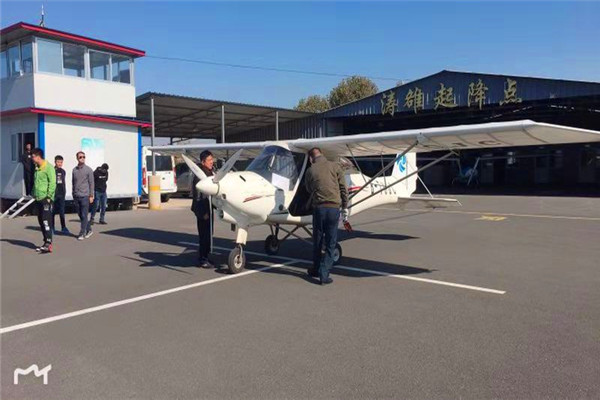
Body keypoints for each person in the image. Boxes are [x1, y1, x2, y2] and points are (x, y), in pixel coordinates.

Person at [304, 147, 349, 285]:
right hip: (333, 209)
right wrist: (345, 206)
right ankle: (324, 274)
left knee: (317, 240)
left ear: (310, 159)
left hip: (319, 209)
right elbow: (343, 188)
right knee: (330, 242)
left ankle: (315, 269)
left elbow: (308, 188)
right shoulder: (335, 166)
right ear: (322, 154)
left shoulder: (310, 170)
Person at [191, 150, 215, 268]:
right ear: (203, 162)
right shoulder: (199, 175)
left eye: (212, 159)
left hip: (209, 208)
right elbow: (198, 196)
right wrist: (202, 212)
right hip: (203, 210)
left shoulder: (210, 172)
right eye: (209, 160)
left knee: (209, 234)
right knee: (204, 235)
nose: (212, 162)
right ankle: (202, 259)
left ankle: (206, 256)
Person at [31, 148, 56, 253]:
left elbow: (53, 182)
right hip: (38, 198)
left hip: (46, 199)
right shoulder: (37, 168)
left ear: (38, 157)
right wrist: (33, 193)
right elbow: (36, 182)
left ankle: (49, 243)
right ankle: (45, 242)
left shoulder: (48, 167)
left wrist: (49, 197)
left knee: (46, 220)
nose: (32, 158)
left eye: (33, 156)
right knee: (41, 220)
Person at [72, 151, 94, 240]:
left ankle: (82, 233)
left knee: (84, 215)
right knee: (80, 215)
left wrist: (91, 195)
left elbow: (91, 183)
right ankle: (89, 229)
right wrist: (73, 193)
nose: (82, 158)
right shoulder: (74, 170)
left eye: (84, 157)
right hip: (76, 196)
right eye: (80, 157)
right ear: (77, 158)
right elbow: (73, 182)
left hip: (85, 195)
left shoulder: (89, 170)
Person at [52, 155, 69, 234]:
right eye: (58, 162)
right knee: (53, 212)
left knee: (62, 211)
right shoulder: (52, 171)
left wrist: (64, 191)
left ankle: (63, 227)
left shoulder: (63, 171)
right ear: (55, 162)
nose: (60, 164)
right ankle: (52, 227)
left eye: (61, 162)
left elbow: (63, 182)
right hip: (54, 194)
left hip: (61, 194)